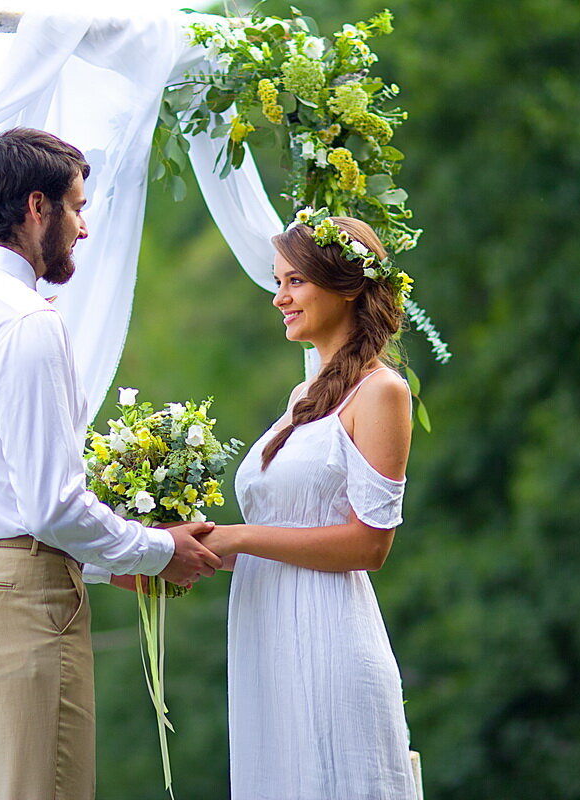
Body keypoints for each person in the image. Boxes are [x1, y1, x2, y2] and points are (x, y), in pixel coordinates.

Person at [0, 127, 220, 800]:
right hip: (12, 600)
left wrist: (108, 563)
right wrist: (158, 550)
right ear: (37, 208)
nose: (84, 227)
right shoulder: (25, 322)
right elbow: (48, 507)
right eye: (77, 206)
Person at [198, 212, 420, 799]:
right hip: (263, 629)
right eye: (279, 282)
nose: (279, 298)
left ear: (345, 284)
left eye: (294, 281)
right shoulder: (305, 395)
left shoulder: (382, 392)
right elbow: (279, 530)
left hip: (326, 632)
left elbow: (370, 544)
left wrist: (240, 537)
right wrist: (182, 542)